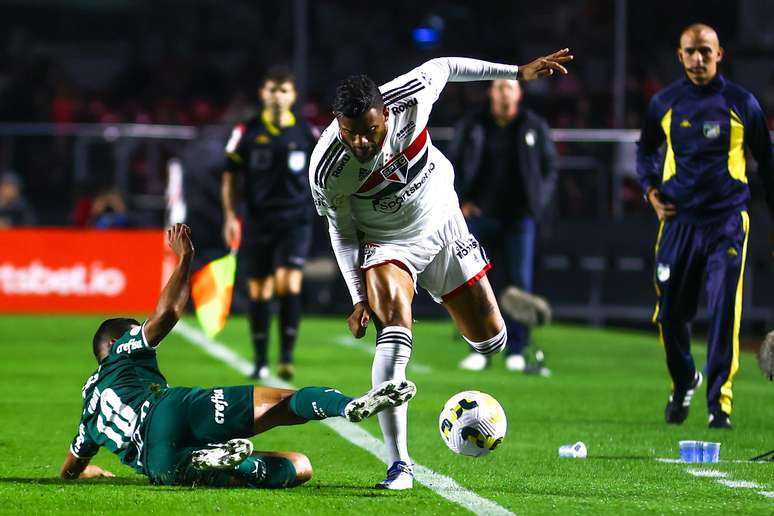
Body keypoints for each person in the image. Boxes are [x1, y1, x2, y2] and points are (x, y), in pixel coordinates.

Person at [309, 50, 572, 489]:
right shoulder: (327, 167)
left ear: (385, 114)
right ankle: (400, 465)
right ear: (338, 122)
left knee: (491, 342)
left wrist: (516, 72)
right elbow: (341, 233)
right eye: (350, 133)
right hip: (387, 245)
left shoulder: (410, 96)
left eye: (370, 131)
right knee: (392, 333)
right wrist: (358, 296)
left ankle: (497, 293)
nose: (360, 143)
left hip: (444, 223)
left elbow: (447, 66)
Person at [59, 223, 415, 487]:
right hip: (171, 411)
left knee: (298, 465)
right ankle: (346, 405)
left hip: (161, 464)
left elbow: (70, 468)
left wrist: (86, 469)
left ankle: (211, 461)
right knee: (285, 403)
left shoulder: (89, 410)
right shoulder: (122, 353)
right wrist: (185, 258)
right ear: (117, 343)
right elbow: (166, 316)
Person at [637, 23, 774, 430]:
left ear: (720, 55)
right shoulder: (663, 103)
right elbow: (644, 152)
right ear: (680, 56)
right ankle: (684, 383)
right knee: (669, 316)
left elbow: (766, 163)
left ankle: (720, 404)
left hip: (726, 222)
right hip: (678, 222)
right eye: (691, 52)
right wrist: (650, 192)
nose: (698, 59)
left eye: (706, 52)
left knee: (722, 311)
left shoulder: (741, 103)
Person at [449, 79, 558, 372]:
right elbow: (452, 163)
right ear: (491, 93)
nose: (503, 93)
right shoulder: (474, 123)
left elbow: (550, 168)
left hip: (519, 218)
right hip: (480, 216)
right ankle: (480, 349)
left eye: (509, 88)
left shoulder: (533, 125)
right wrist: (461, 201)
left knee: (519, 285)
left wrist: (537, 204)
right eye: (498, 88)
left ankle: (517, 349)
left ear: (519, 93)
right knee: (474, 283)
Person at [222, 67, 318, 381]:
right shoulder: (246, 131)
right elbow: (230, 176)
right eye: (272, 90)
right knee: (259, 290)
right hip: (258, 220)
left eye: (284, 90)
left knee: (288, 283)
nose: (277, 96)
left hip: (296, 220)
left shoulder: (306, 132)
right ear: (262, 94)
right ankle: (261, 359)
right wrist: (229, 216)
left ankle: (286, 356)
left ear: (293, 96)